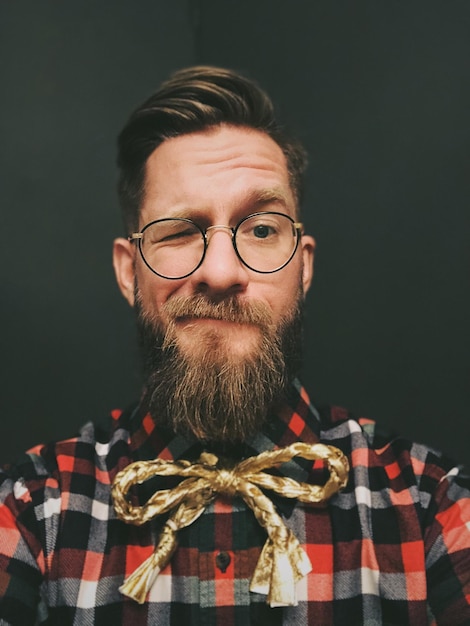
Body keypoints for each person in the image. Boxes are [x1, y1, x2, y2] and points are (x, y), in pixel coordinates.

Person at [0, 66, 469, 626]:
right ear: (129, 273)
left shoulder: (432, 505)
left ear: (303, 268)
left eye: (261, 229)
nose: (221, 272)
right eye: (178, 232)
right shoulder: (29, 512)